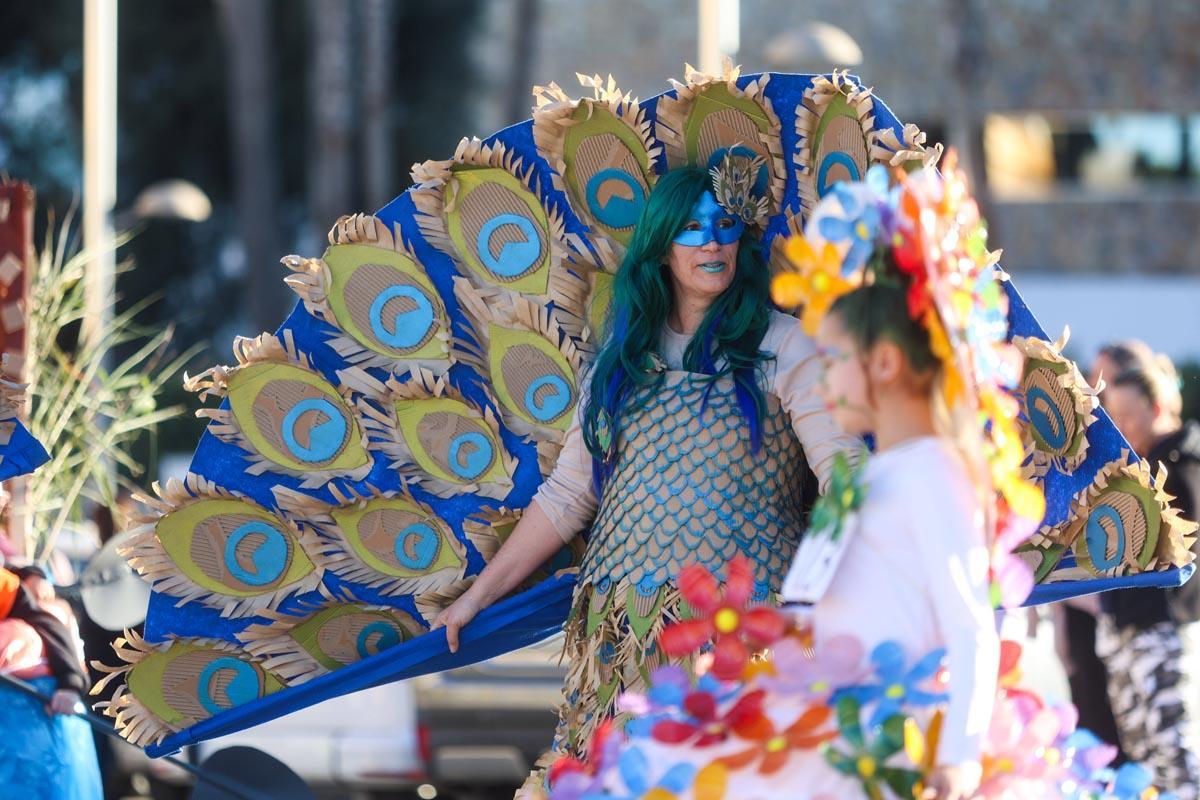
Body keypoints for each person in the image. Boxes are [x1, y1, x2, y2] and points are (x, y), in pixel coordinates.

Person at [433, 164, 862, 770]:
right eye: (690, 228)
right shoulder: (620, 360)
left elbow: (843, 473)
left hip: (740, 633)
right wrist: (477, 597)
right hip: (624, 638)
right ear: (661, 249)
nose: (711, 241)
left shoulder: (786, 347)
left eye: (724, 225)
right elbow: (568, 497)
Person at [1094, 359, 1200, 795]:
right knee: (1142, 759)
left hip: (1165, 628)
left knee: (1176, 752)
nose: (1118, 426)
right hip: (1127, 628)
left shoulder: (1184, 460)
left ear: (1157, 409)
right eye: (1111, 416)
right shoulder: (1138, 466)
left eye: (1126, 416)